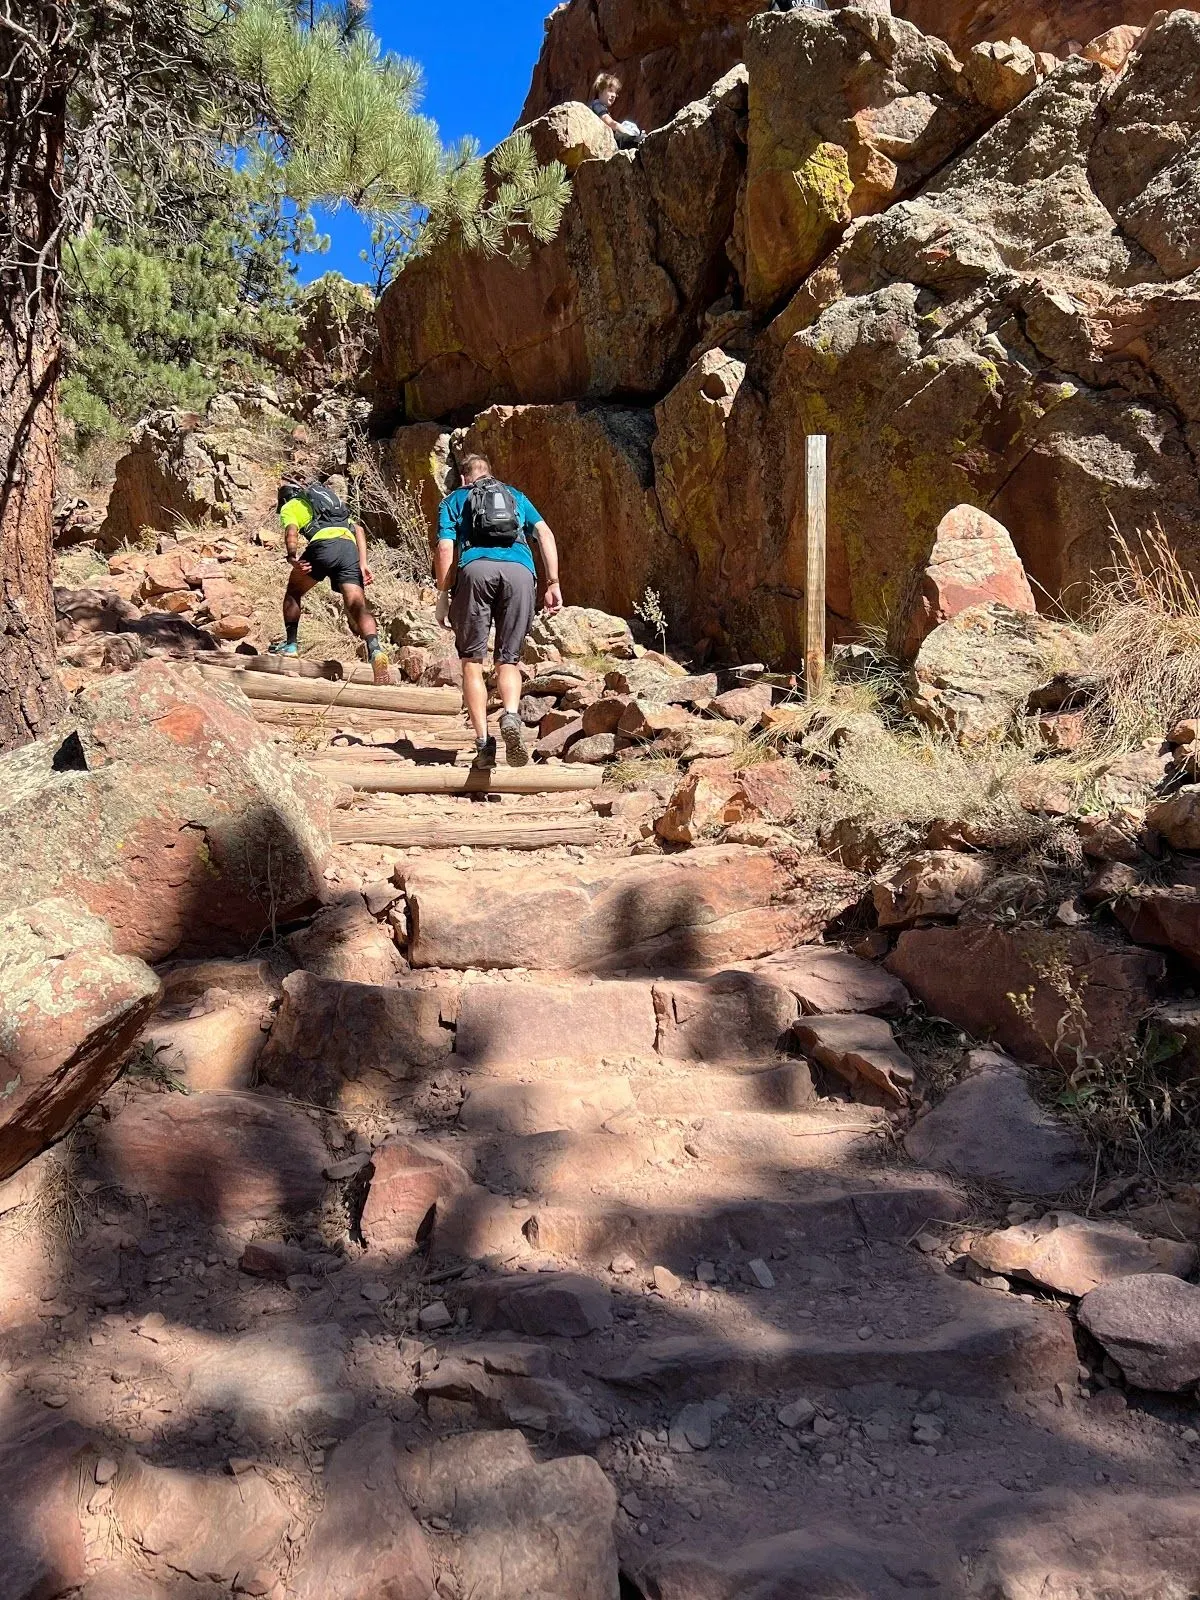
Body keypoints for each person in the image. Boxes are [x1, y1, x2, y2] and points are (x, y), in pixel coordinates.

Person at [435, 455, 563, 770]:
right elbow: (545, 534)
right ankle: (510, 714)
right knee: (509, 659)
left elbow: (444, 548)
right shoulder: (515, 496)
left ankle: (483, 744)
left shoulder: (454, 501)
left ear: (463, 479)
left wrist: (443, 592)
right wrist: (553, 582)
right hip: (521, 573)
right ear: (490, 475)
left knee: (472, 663)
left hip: (475, 571)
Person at [270, 479, 391, 685]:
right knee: (357, 605)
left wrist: (292, 557)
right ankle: (375, 650)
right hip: (349, 549)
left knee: (294, 592)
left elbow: (291, 531)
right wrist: (363, 564)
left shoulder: (291, 505)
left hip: (323, 546)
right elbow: (359, 530)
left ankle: (290, 645)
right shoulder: (328, 505)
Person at [589, 72, 645, 149]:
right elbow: (610, 123)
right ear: (600, 90)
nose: (614, 95)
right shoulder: (597, 104)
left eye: (615, 93)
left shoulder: (598, 106)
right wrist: (628, 133)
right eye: (610, 90)